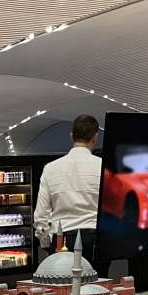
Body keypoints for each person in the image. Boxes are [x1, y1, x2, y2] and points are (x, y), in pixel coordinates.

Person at [33, 114, 105, 273]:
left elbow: (41, 215)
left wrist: (46, 244)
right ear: (95, 138)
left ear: (72, 136)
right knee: (97, 286)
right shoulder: (102, 167)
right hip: (95, 239)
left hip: (61, 238)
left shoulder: (50, 168)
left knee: (63, 285)